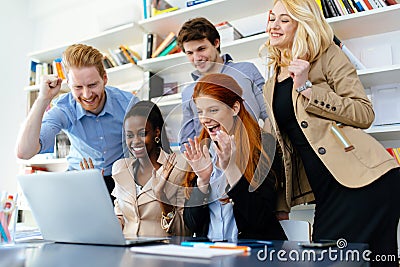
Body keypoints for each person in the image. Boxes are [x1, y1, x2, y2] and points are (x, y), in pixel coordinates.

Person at [262, 0, 400, 265]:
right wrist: (281, 206)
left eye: (285, 19)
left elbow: (364, 113)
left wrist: (307, 89)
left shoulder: (327, 55)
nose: (274, 26)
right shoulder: (271, 82)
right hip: (327, 193)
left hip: (366, 183)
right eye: (272, 18)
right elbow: (283, 147)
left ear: (302, 24)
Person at [15, 44, 139, 198]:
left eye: (92, 85)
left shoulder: (128, 104)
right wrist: (43, 99)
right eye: (78, 87)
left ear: (105, 78)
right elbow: (24, 152)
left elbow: (149, 149)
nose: (87, 95)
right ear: (69, 83)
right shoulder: (65, 108)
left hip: (122, 180)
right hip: (80, 179)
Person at [183, 73, 287, 242]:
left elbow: (260, 220)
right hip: (210, 254)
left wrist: (231, 169)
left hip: (252, 254)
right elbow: (192, 224)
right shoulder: (202, 150)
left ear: (234, 108)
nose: (204, 119)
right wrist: (202, 180)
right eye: (200, 111)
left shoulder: (263, 146)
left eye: (213, 110)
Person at [177, 17, 269, 151]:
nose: (196, 58)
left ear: (216, 43)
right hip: (215, 166)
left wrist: (264, 149)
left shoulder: (246, 70)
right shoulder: (188, 92)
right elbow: (187, 142)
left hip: (255, 153)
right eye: (190, 53)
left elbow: (269, 114)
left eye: (201, 49)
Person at [111, 100, 190, 237]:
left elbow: (184, 231)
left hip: (160, 252)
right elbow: (119, 218)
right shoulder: (120, 167)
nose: (135, 141)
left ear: (157, 133)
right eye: (130, 135)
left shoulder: (179, 167)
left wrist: (161, 196)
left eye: (142, 134)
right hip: (127, 252)